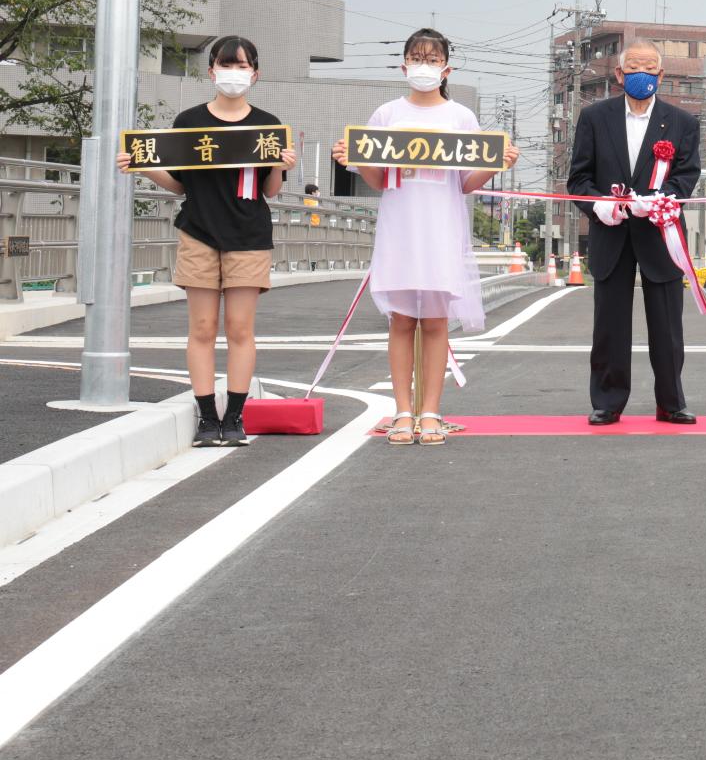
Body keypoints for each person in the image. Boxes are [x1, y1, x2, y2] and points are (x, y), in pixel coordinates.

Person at [332, 29, 517, 444]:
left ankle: (430, 411)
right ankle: (401, 412)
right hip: (400, 226)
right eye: (417, 57)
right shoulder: (386, 115)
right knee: (401, 320)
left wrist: (498, 163)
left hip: (442, 228)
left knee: (435, 321)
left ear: (446, 69)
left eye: (432, 60)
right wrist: (353, 161)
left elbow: (468, 183)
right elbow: (378, 180)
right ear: (403, 65)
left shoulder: (461, 118)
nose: (424, 66)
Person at [119, 36, 296, 447]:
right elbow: (180, 186)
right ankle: (205, 417)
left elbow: (270, 190)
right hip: (198, 231)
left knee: (239, 328)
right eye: (226, 65)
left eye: (242, 66)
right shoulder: (189, 121)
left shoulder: (267, 125)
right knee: (201, 327)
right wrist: (143, 168)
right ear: (211, 70)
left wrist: (284, 166)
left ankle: (234, 416)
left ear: (255, 73)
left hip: (249, 235)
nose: (234, 73)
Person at [565, 40, 701, 427]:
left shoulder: (682, 123)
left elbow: (686, 177)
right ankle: (607, 401)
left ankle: (672, 402)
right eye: (634, 67)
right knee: (609, 324)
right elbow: (579, 178)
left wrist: (661, 201)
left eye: (650, 67)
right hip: (610, 233)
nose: (643, 73)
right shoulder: (595, 117)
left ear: (661, 75)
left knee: (667, 325)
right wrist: (598, 206)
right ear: (620, 75)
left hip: (661, 234)